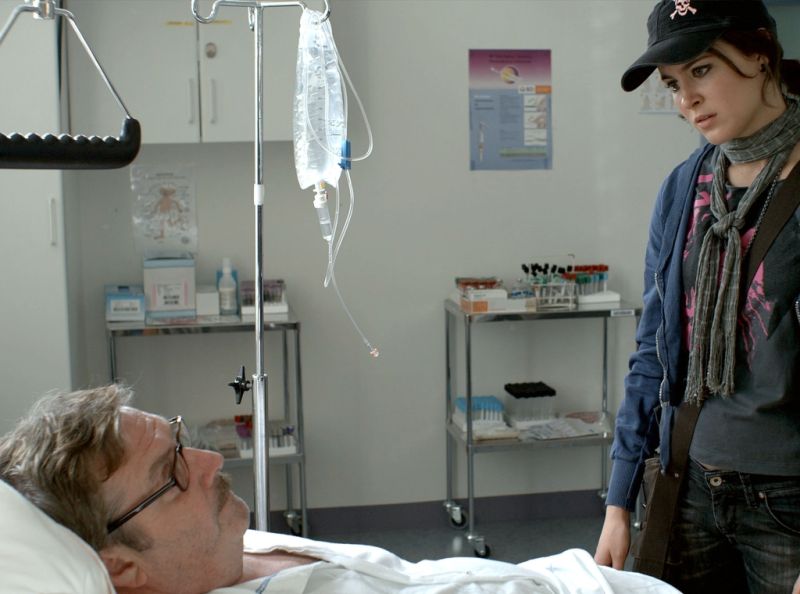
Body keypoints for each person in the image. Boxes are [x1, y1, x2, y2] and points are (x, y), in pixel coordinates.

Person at [0, 385, 678, 594]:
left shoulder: (227, 549)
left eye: (181, 439)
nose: (208, 461)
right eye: (171, 473)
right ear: (119, 566)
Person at [594, 1, 800, 593]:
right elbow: (653, 351)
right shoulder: (685, 186)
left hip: (788, 502)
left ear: (759, 54)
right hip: (687, 486)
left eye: (702, 70)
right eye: (672, 84)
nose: (686, 99)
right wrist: (618, 501)